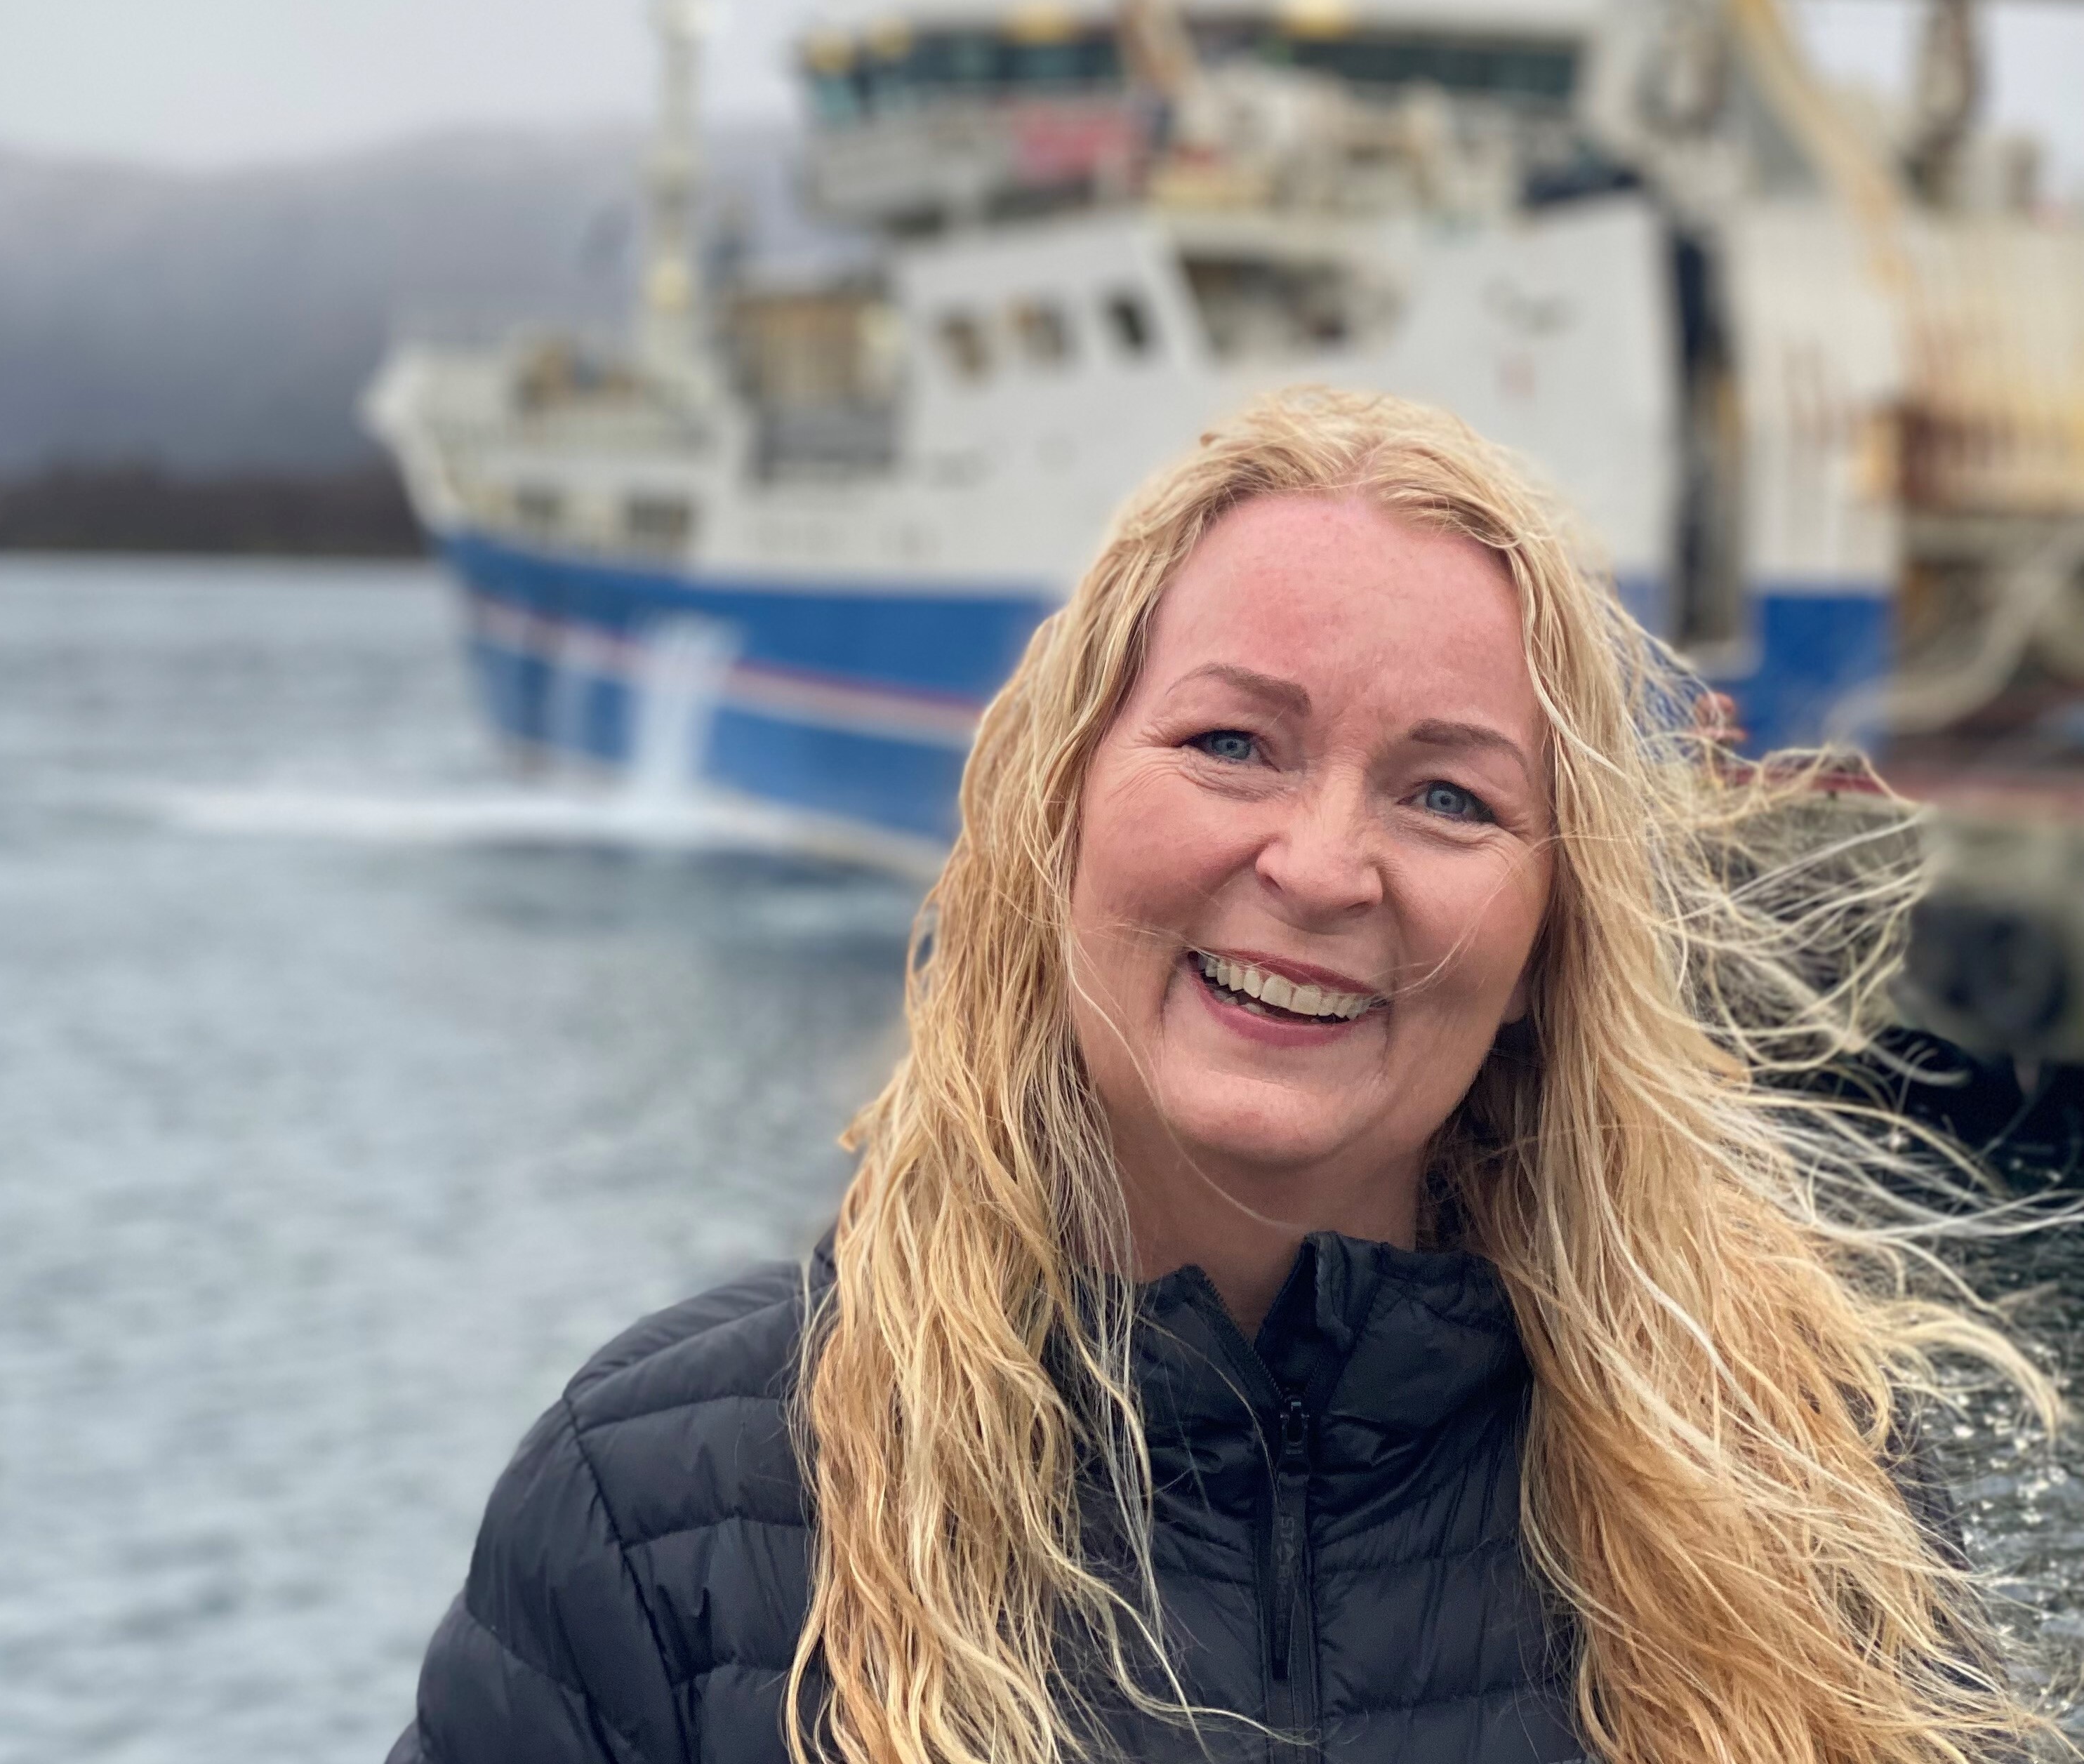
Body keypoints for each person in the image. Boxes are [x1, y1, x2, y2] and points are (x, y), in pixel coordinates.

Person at [387, 389, 2051, 1764]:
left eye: (1450, 798)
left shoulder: (1792, 1490)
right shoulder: (664, 1506)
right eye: (1231, 744)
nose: (1321, 868)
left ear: (1555, 937)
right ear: (1059, 804)